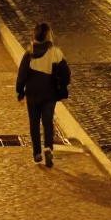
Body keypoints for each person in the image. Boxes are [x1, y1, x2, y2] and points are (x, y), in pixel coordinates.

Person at [15, 22, 70, 168]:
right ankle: (48, 148)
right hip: (50, 94)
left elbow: (21, 76)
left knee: (34, 123)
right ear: (48, 36)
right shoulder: (56, 53)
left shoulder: (29, 54)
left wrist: (20, 91)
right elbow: (66, 73)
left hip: (33, 94)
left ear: (35, 36)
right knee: (47, 122)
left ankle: (37, 153)